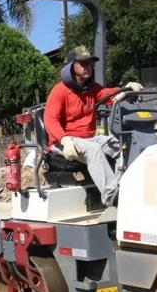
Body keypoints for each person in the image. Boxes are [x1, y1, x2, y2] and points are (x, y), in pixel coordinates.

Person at [43, 45, 143, 206]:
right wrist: (65, 140)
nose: (87, 67)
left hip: (89, 138)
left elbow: (108, 95)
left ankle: (122, 187)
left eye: (89, 63)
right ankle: (112, 196)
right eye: (83, 64)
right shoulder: (59, 91)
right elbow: (50, 120)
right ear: (71, 66)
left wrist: (126, 89)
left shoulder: (91, 88)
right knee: (94, 150)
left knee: (122, 146)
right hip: (64, 142)